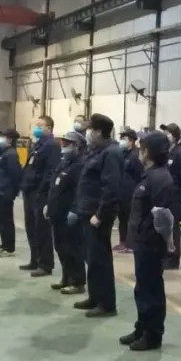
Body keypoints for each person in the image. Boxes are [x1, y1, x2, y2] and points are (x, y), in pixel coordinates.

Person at [119, 131, 179, 352]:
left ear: (147, 152)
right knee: (142, 287)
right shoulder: (150, 175)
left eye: (142, 149)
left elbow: (163, 216)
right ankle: (142, 327)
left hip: (151, 243)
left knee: (151, 290)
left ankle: (152, 334)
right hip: (142, 241)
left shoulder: (160, 179)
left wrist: (167, 242)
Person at [71, 113, 122, 317]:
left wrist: (100, 215)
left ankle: (106, 304)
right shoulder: (96, 151)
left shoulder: (111, 153)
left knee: (100, 259)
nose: (87, 132)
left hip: (97, 215)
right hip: (87, 212)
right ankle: (94, 297)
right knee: (91, 258)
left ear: (99, 132)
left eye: (90, 129)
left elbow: (111, 188)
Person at [45, 130, 87, 295]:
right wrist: (48, 205)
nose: (64, 146)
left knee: (72, 249)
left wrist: (75, 210)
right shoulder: (64, 163)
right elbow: (54, 187)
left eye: (68, 143)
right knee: (61, 247)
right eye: (64, 142)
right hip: (57, 212)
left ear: (77, 146)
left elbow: (80, 191)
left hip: (68, 214)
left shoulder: (80, 165)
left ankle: (77, 282)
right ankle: (66, 277)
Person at [20, 115, 60, 277]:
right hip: (30, 191)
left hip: (40, 193)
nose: (36, 128)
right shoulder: (38, 145)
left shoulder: (52, 145)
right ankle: (35, 259)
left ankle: (45, 264)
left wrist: (41, 191)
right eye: (36, 125)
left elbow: (50, 172)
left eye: (40, 125)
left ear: (48, 128)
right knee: (31, 227)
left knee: (41, 229)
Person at [160, 123, 181, 270]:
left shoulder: (179, 153)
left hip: (175, 195)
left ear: (174, 136)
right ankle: (166, 255)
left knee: (173, 227)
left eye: (168, 133)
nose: (165, 135)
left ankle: (173, 258)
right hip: (166, 194)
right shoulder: (168, 152)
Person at [0, 128, 23, 257]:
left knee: (6, 220)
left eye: (3, 136)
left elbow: (15, 175)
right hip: (0, 190)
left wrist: (13, 191)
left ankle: (9, 248)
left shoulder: (11, 155)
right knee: (1, 220)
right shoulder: (4, 152)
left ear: (9, 140)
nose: (0, 139)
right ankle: (4, 244)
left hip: (6, 192)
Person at [115, 127, 143, 253]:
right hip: (121, 193)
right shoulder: (122, 154)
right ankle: (122, 241)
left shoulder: (135, 155)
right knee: (122, 218)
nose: (121, 141)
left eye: (124, 138)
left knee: (130, 219)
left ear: (131, 140)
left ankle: (130, 244)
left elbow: (140, 174)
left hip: (131, 193)